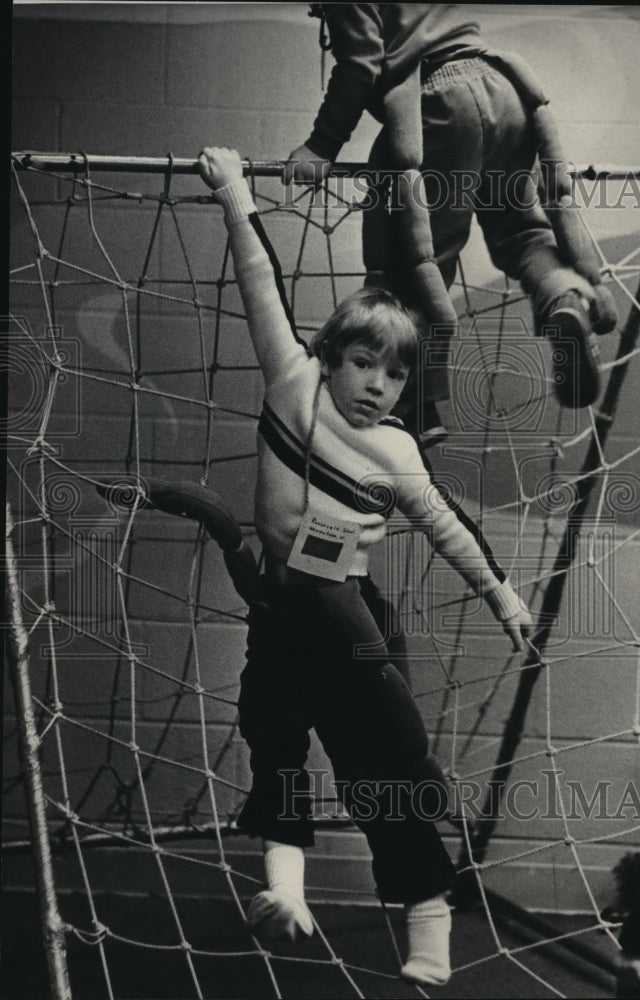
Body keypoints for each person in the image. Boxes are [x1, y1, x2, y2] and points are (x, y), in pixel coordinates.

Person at [197, 145, 533, 986]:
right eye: (363, 362)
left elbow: (451, 529)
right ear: (330, 353)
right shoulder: (291, 383)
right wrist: (235, 189)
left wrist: (501, 596)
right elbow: (259, 280)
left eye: (395, 373)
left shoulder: (396, 453)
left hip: (350, 622)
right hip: (280, 615)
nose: (378, 384)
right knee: (272, 741)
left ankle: (430, 924)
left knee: (385, 767)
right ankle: (285, 892)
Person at [285, 3, 618, 448]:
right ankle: (566, 298)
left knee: (416, 262)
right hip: (504, 90)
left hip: (439, 103)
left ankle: (413, 408)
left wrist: (321, 145)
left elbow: (360, 63)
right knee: (523, 235)